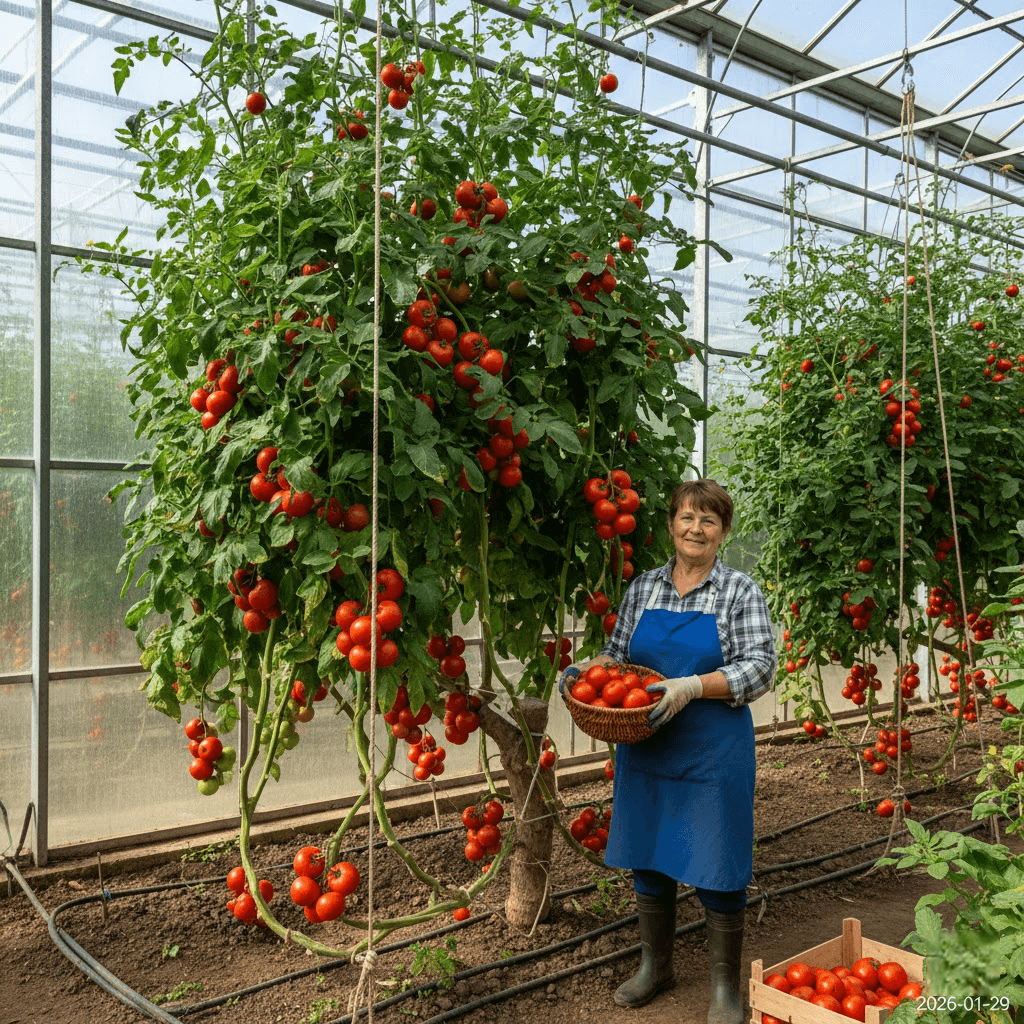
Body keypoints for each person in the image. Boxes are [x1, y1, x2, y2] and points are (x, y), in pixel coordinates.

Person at [560, 479, 776, 1024]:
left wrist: (693, 686)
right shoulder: (644, 587)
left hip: (712, 749)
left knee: (719, 861)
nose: (695, 529)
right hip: (648, 744)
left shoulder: (739, 590)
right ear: (671, 524)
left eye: (708, 520)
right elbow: (618, 654)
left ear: (723, 531)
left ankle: (725, 987)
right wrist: (589, 668)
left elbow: (760, 667)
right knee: (649, 853)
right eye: (687, 518)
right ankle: (656, 967)